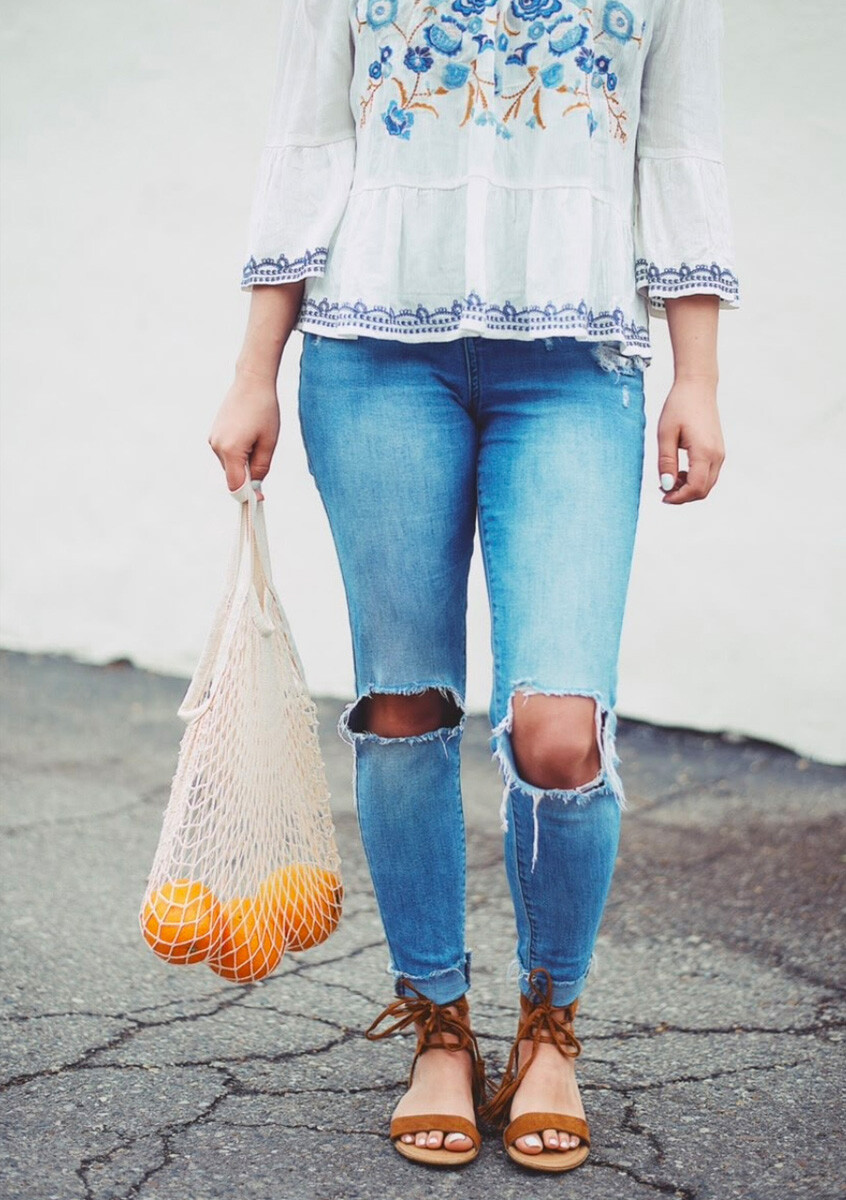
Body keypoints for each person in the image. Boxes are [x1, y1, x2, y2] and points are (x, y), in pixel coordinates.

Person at [208, 0, 740, 1173]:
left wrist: (696, 376)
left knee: (559, 730)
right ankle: (440, 1026)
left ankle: (550, 1023)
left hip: (578, 366)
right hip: (368, 359)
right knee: (407, 706)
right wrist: (255, 369)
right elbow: (306, 145)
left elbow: (676, 150)